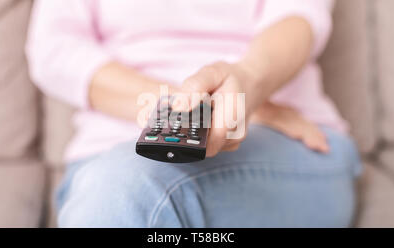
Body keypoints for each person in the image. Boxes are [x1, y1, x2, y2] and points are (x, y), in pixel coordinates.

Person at [26, 0, 361, 227]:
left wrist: (249, 84)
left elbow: (298, 17)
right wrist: (204, 108)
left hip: (287, 141)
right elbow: (54, 49)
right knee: (119, 189)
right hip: (106, 161)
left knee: (122, 194)